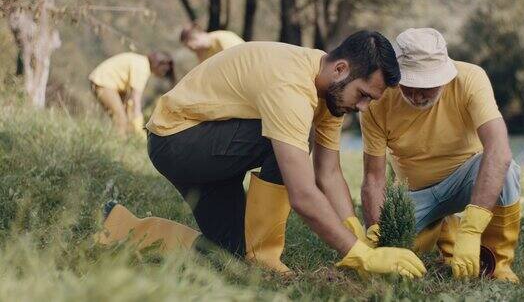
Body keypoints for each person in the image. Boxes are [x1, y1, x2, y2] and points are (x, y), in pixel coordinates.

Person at [96, 31, 427, 279]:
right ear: (341, 68)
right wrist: (359, 255)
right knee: (287, 143)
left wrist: (354, 233)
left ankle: (124, 228)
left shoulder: (329, 93)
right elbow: (302, 193)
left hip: (211, 151)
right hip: (177, 141)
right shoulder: (291, 85)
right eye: (363, 95)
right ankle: (266, 256)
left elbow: (329, 174)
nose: (362, 108)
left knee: (228, 257)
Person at [359, 28, 521, 282]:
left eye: (426, 86)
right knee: (384, 260)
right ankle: (441, 227)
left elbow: (499, 151)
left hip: (465, 180)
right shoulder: (377, 99)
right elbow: (373, 178)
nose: (416, 95)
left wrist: (472, 228)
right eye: (408, 84)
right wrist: (376, 228)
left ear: (444, 77)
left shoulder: (470, 78)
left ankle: (496, 265)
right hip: (413, 194)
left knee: (507, 171)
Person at [89, 51, 175, 137]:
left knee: (126, 117)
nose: (164, 74)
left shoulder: (141, 62)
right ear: (158, 64)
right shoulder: (142, 68)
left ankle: (126, 141)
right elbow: (135, 100)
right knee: (120, 118)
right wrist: (139, 126)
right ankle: (119, 146)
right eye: (164, 71)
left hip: (106, 82)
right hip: (104, 82)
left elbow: (130, 100)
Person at [180, 25, 244, 63]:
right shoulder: (202, 52)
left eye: (194, 40)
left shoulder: (223, 38)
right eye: (190, 48)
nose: (194, 47)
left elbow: (235, 61)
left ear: (201, 33)